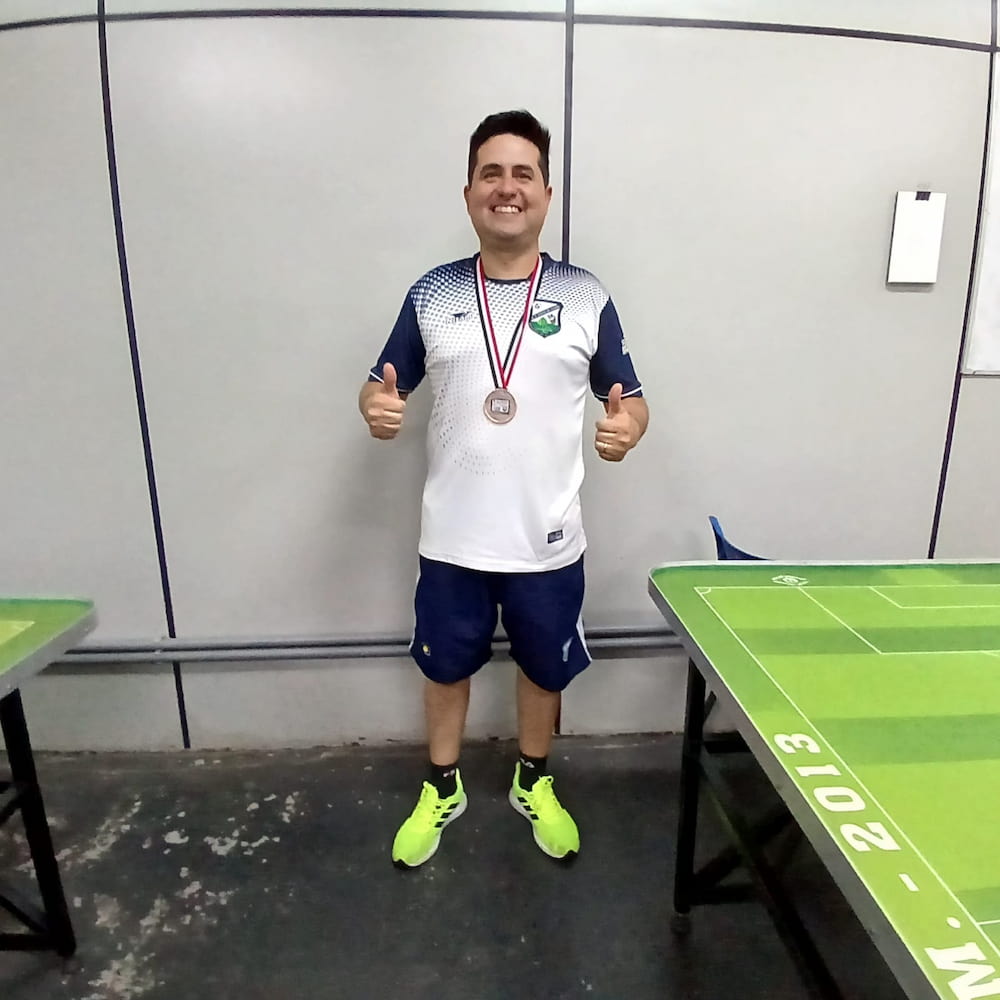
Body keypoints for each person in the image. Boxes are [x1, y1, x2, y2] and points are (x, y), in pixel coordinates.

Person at [359, 109, 648, 869]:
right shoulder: (433, 293)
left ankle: (533, 779)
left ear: (547, 193)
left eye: (524, 173)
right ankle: (442, 785)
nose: (507, 187)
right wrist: (376, 407)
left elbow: (631, 397)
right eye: (491, 173)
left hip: (546, 537)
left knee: (543, 668)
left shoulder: (584, 295)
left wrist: (629, 426)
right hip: (452, 536)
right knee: (443, 666)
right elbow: (381, 384)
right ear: (469, 194)